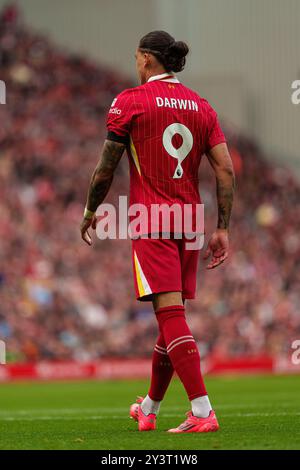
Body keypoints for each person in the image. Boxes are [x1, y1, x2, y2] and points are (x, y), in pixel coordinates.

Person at [80, 30, 235, 433]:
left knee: (170, 315)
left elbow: (105, 167)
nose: (135, 63)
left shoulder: (129, 102)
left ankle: (202, 411)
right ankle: (148, 408)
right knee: (171, 317)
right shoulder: (202, 106)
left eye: (136, 57)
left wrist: (91, 209)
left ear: (147, 59)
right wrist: (222, 228)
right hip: (190, 223)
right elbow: (226, 169)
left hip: (152, 220)